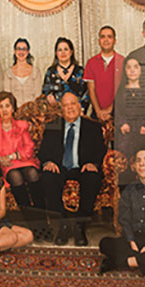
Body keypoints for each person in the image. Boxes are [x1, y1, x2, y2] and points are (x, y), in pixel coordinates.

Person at [37, 92, 106, 246]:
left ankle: (79, 225)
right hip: (60, 167)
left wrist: (93, 163)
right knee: (47, 177)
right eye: (66, 105)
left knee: (93, 178)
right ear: (61, 110)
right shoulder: (53, 125)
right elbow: (42, 152)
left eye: (73, 104)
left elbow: (101, 150)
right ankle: (64, 224)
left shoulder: (93, 127)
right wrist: (48, 162)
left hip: (82, 167)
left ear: (79, 106)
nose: (70, 108)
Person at [98, 145, 145, 278]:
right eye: (138, 160)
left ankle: (122, 262)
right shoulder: (129, 190)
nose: (142, 164)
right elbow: (124, 219)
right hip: (134, 239)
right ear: (134, 166)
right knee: (104, 243)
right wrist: (132, 241)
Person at [0, 91, 45, 232]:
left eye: (7, 106)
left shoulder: (22, 125)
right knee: (16, 177)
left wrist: (13, 156)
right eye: (1, 106)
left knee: (33, 173)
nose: (4, 110)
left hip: (22, 160)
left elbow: (29, 147)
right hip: (4, 165)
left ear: (13, 108)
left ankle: (42, 222)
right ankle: (33, 224)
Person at [113, 56, 145, 172]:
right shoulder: (121, 91)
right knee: (125, 155)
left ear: (140, 70)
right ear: (125, 71)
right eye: (129, 67)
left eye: (135, 67)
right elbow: (117, 111)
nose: (132, 70)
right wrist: (122, 124)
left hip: (143, 132)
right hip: (126, 133)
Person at [83, 25, 124, 123]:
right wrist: (98, 111)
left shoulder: (123, 62)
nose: (106, 40)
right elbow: (91, 89)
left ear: (115, 41)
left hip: (118, 113)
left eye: (109, 37)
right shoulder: (91, 62)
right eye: (103, 36)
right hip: (96, 114)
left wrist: (110, 109)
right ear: (99, 41)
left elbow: (123, 90)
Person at [42, 36, 90, 113]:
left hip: (77, 114)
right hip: (56, 114)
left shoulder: (80, 71)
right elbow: (45, 93)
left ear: (71, 52)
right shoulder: (50, 72)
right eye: (60, 50)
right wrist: (49, 99)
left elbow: (87, 93)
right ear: (56, 53)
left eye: (66, 49)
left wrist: (81, 109)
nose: (63, 52)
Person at [3, 37, 43, 105]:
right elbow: (7, 97)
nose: (21, 52)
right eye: (19, 49)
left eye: (24, 49)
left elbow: (38, 96)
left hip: (32, 111)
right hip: (15, 112)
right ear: (15, 51)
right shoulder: (8, 73)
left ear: (28, 51)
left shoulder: (36, 72)